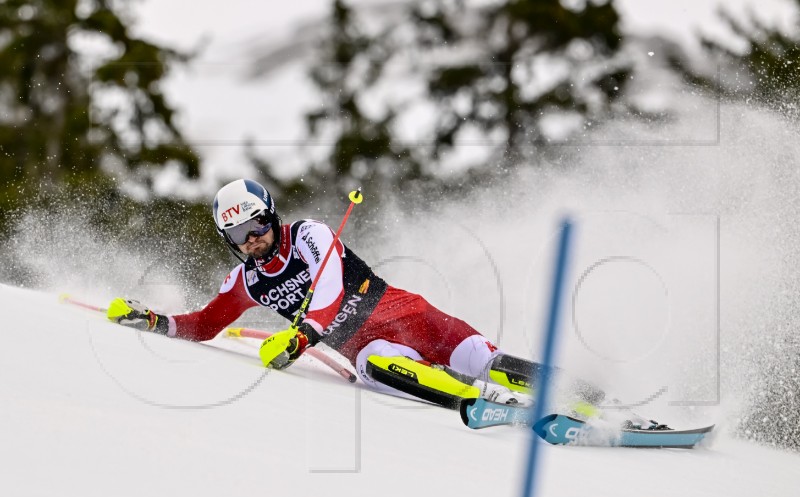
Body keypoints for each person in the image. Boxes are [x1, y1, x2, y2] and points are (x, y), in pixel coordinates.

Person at [107, 179, 600, 410]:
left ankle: (586, 392)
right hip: (373, 348)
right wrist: (154, 321)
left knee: (483, 357)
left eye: (256, 225)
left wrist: (304, 337)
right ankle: (486, 404)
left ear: (271, 216)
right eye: (239, 237)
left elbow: (325, 291)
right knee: (374, 365)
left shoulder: (310, 236)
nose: (252, 240)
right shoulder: (246, 282)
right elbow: (205, 324)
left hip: (409, 314)